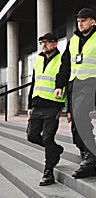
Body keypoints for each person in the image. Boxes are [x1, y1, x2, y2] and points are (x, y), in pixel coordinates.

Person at [54, 8, 96, 179]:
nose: (80, 23)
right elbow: (65, 66)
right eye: (78, 21)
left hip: (92, 83)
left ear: (93, 21)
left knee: (79, 114)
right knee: (75, 121)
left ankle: (91, 154)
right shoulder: (73, 40)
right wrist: (59, 85)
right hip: (74, 84)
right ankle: (87, 160)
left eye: (84, 20)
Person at [27, 33, 66, 186]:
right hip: (37, 105)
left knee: (48, 138)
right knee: (32, 136)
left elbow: (64, 78)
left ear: (55, 44)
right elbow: (34, 83)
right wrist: (30, 105)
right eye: (42, 42)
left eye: (47, 42)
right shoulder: (38, 61)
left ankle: (48, 172)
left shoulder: (63, 60)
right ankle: (55, 150)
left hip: (52, 105)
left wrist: (60, 90)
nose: (43, 45)